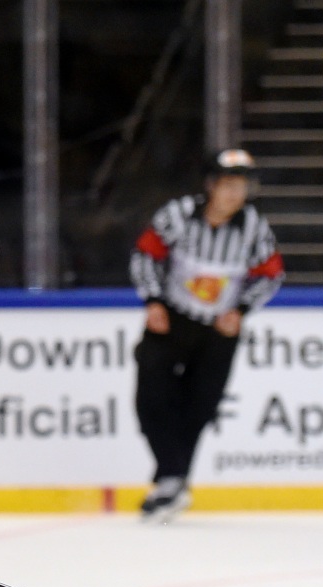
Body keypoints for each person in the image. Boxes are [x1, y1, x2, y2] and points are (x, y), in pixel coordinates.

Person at [128, 148, 284, 524]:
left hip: (218, 330)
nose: (235, 194)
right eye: (228, 185)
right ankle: (173, 477)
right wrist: (153, 300)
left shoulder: (254, 229)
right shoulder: (178, 215)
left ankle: (170, 482)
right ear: (211, 186)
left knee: (199, 407)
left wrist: (240, 310)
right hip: (172, 320)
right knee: (151, 400)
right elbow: (146, 255)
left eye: (241, 186)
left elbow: (270, 274)